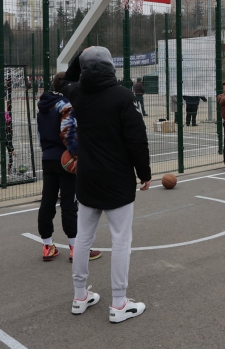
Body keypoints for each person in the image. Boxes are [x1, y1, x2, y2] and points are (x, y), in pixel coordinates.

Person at [58, 47, 151, 324]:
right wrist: (144, 172)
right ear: (111, 67)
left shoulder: (77, 93)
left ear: (84, 68)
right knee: (121, 238)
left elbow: (64, 78)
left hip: (87, 177)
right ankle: (119, 303)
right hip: (117, 178)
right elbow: (137, 138)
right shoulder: (123, 96)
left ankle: (79, 296)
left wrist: (81, 56)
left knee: (84, 237)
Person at [36, 72, 101, 263]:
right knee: (69, 204)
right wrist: (76, 155)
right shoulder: (65, 105)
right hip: (65, 160)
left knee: (47, 202)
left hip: (48, 158)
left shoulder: (42, 107)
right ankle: (75, 248)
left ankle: (47, 246)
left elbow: (41, 135)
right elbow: (67, 133)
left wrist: (49, 153)